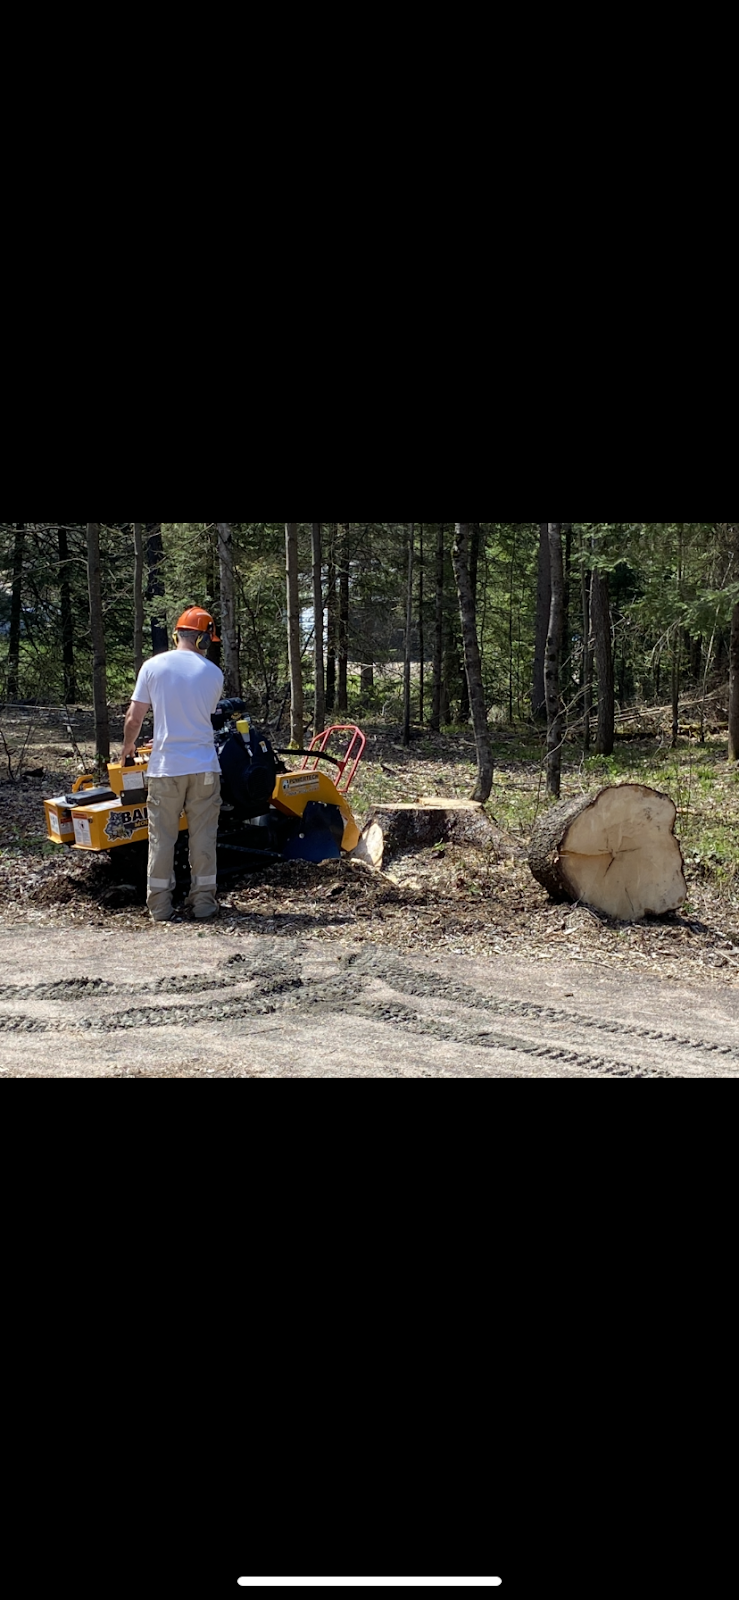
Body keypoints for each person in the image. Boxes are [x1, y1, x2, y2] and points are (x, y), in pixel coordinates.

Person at [122, 608, 225, 924]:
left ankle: (161, 908)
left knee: (162, 838)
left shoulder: (152, 667)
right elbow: (198, 716)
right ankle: (204, 904)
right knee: (203, 837)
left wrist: (127, 748)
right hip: (204, 767)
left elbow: (134, 717)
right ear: (204, 639)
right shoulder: (213, 673)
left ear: (177, 634)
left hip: (166, 768)